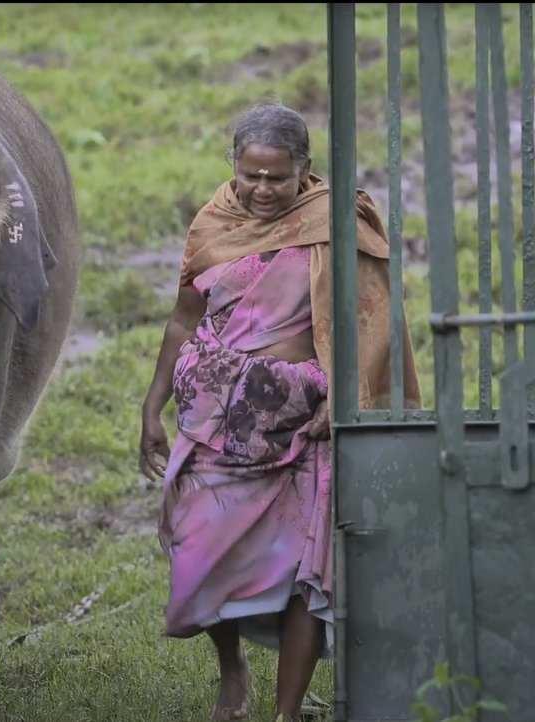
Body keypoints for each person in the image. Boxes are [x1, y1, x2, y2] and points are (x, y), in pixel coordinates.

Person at [138, 101, 421, 722]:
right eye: (251, 175)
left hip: (303, 426)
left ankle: (286, 712)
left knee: (304, 572)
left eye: (277, 177)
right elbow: (184, 318)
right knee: (196, 546)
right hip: (215, 422)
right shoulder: (214, 220)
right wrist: (152, 404)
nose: (263, 189)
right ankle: (230, 666)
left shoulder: (337, 220)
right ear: (233, 166)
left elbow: (372, 321)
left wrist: (347, 398)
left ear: (305, 170)